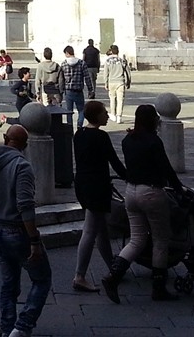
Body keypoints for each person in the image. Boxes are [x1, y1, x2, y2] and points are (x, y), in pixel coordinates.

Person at [102, 103, 185, 303]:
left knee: (137, 239)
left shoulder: (127, 140)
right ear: (152, 120)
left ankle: (113, 277)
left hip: (131, 191)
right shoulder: (154, 142)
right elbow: (165, 168)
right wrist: (179, 189)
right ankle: (158, 288)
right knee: (160, 240)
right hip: (152, 192)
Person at [0, 124, 51, 337]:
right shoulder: (22, 166)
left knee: (9, 283)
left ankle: (7, 327)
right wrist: (34, 240)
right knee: (42, 279)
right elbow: (25, 207)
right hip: (18, 231)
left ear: (5, 138)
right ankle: (22, 326)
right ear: (25, 144)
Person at [72, 100, 126, 293]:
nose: (106, 115)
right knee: (90, 230)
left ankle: (113, 268)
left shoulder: (79, 134)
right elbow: (114, 161)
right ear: (97, 116)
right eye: (104, 112)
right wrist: (130, 177)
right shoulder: (101, 136)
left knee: (101, 228)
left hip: (82, 184)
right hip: (97, 186)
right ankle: (80, 275)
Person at [58, 46, 87, 128]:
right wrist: (91, 89)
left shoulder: (64, 64)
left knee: (69, 111)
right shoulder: (81, 63)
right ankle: (79, 124)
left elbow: (61, 79)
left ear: (67, 53)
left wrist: (61, 90)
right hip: (78, 90)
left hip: (68, 91)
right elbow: (87, 77)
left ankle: (70, 127)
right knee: (81, 110)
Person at [102, 45, 131, 122]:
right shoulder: (122, 60)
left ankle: (113, 114)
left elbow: (105, 73)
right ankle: (119, 116)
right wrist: (128, 82)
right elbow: (128, 72)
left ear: (111, 51)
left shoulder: (108, 61)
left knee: (112, 99)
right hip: (120, 81)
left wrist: (106, 83)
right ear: (118, 51)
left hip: (111, 82)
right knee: (120, 100)